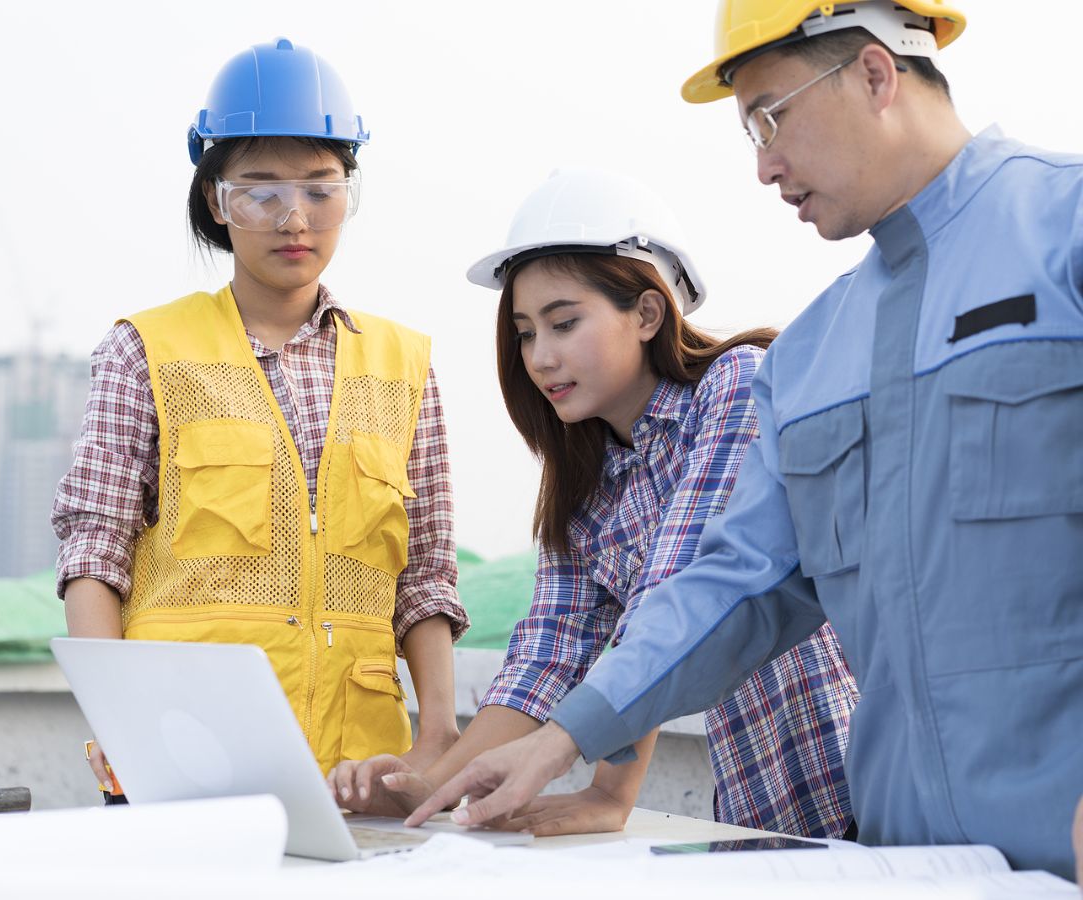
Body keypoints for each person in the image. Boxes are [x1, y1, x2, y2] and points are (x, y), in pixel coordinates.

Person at [407, 0, 1083, 880]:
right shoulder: (811, 357)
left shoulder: (1063, 228)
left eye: (772, 115)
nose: (763, 165)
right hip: (902, 866)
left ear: (876, 73)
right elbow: (729, 586)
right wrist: (562, 737)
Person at [329, 169, 858, 838]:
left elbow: (679, 599)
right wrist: (427, 787)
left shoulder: (734, 389)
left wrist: (612, 790)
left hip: (856, 784)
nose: (540, 357)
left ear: (646, 314)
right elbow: (547, 655)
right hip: (758, 811)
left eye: (564, 322)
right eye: (524, 333)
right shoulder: (585, 482)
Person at [52, 38, 468, 796]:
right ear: (217, 199)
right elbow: (93, 553)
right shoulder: (142, 351)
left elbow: (428, 576)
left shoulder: (405, 366)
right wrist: (119, 723)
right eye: (261, 191)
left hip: (362, 775)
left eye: (320, 188)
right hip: (185, 761)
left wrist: (437, 736)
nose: (294, 218)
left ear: (350, 191)